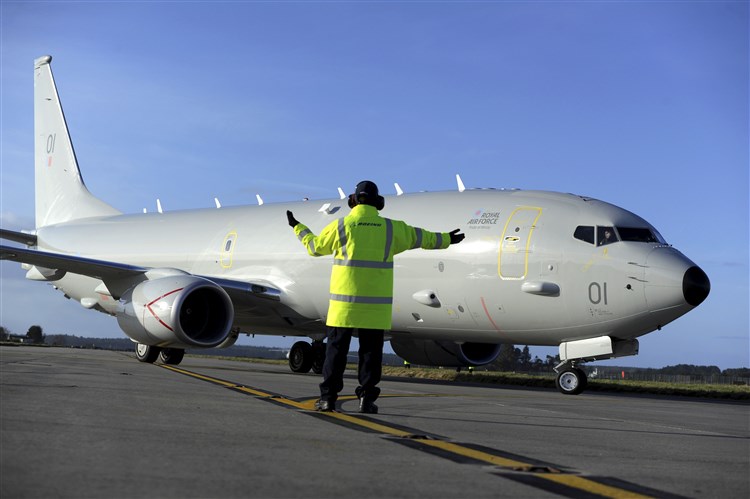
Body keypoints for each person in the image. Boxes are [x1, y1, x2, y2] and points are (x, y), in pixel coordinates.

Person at [287, 180, 464, 413]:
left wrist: (298, 227)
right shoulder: (391, 229)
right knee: (370, 357)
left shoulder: (341, 226)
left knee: (335, 355)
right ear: (379, 203)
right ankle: (366, 400)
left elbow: (315, 247)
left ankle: (328, 399)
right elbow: (422, 238)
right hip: (375, 309)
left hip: (344, 307)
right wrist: (447, 239)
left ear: (353, 201)